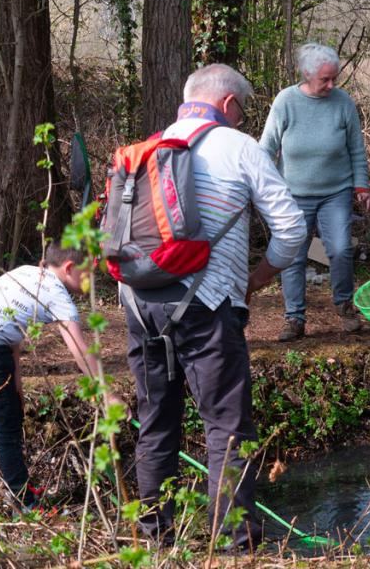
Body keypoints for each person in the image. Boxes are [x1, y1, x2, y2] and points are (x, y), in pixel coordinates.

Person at [124, 64, 306, 551]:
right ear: (228, 105)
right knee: (227, 425)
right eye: (242, 111)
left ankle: (154, 537)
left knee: (156, 420)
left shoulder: (148, 147)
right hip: (205, 304)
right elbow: (291, 229)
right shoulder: (240, 147)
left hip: (139, 304)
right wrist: (258, 279)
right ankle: (233, 545)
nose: (243, 120)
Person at [0, 242, 124, 511]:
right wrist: (107, 394)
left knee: (11, 417)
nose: (92, 280)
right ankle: (26, 505)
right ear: (69, 268)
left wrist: (17, 385)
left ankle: (22, 491)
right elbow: (80, 349)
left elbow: (13, 340)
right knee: (7, 428)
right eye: (88, 273)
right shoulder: (56, 294)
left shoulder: (28, 274)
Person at [260, 42, 370, 341]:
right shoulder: (286, 102)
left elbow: (356, 151)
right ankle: (294, 318)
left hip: (335, 192)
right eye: (325, 79)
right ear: (307, 75)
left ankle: (345, 305)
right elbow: (266, 148)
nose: (331, 84)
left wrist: (362, 185)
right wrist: (259, 186)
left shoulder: (343, 103)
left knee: (340, 249)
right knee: (293, 256)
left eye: (334, 78)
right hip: (293, 195)